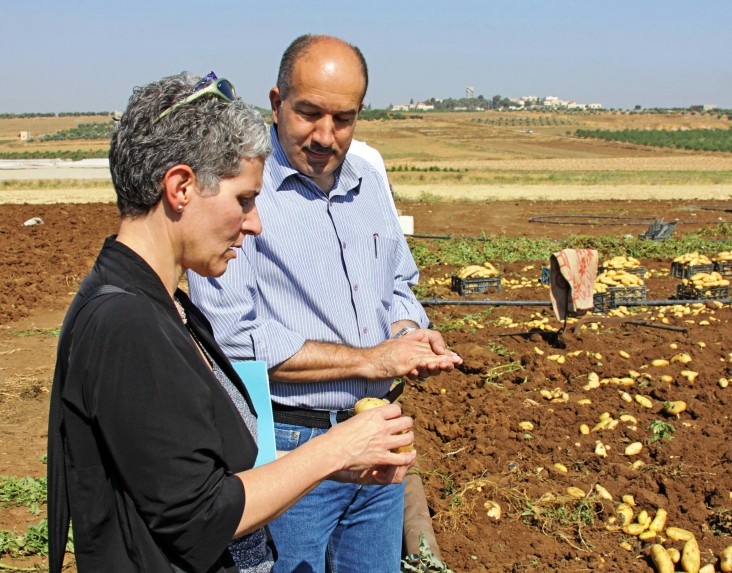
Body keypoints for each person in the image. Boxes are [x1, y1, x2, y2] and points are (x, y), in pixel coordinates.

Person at [46, 71, 417, 573]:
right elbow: (199, 517)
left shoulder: (161, 304)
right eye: (243, 200)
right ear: (180, 187)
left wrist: (337, 460)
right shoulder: (127, 324)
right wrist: (335, 449)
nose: (254, 222)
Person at [187, 36, 462, 572]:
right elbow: (233, 338)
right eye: (308, 113)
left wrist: (409, 333)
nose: (324, 135)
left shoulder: (368, 180)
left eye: (343, 118)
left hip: (378, 434)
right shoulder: (240, 190)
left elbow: (399, 283)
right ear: (275, 102)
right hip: (291, 445)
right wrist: (370, 360)